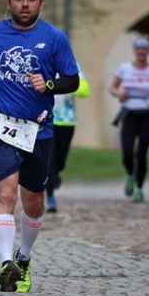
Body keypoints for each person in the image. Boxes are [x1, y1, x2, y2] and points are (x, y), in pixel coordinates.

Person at [0, 0, 79, 293]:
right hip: (0, 125)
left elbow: (73, 80)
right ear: (9, 1)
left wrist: (50, 84)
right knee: (5, 195)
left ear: (41, 3)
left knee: (34, 204)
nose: (24, 4)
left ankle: (23, 258)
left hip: (38, 131)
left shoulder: (55, 38)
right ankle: (6, 265)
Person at [108, 37, 149, 203]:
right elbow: (112, 87)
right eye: (139, 49)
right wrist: (118, 93)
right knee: (127, 153)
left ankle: (140, 189)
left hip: (148, 113)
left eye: (144, 49)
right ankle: (131, 174)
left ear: (148, 51)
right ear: (135, 51)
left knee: (142, 153)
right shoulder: (125, 69)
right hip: (129, 113)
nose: (141, 52)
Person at [45, 64, 91, 213]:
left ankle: (56, 173)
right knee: (49, 159)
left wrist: (65, 84)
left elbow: (84, 90)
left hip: (67, 119)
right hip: (46, 118)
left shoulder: (72, 65)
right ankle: (50, 197)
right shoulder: (43, 60)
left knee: (60, 160)